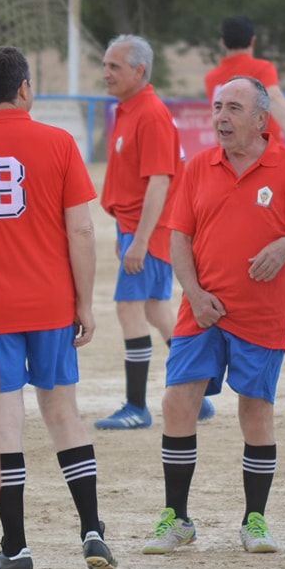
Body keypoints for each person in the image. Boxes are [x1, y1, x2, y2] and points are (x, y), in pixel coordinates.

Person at [0, 46, 116, 569]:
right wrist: (84, 302)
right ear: (25, 88)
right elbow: (80, 228)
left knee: (5, 424)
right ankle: (92, 531)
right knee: (64, 415)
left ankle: (17, 549)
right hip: (52, 305)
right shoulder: (58, 143)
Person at [141, 76, 285, 556]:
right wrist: (195, 294)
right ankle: (176, 519)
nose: (221, 117)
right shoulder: (199, 166)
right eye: (218, 107)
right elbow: (179, 236)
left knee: (255, 411)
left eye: (233, 108)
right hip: (200, 312)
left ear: (261, 119)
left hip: (261, 315)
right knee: (178, 402)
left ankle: (254, 521)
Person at [96, 34, 214, 430]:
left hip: (152, 229)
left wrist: (141, 240)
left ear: (139, 71)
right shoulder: (128, 110)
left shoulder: (150, 113)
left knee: (129, 308)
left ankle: (136, 406)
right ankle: (198, 393)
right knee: (153, 309)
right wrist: (123, 231)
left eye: (114, 66)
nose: (106, 73)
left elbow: (159, 182)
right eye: (106, 64)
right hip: (136, 227)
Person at [204, 15, 285, 149]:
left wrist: (279, 102)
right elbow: (274, 99)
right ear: (253, 40)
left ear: (222, 42)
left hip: (227, 153)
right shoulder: (262, 68)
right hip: (262, 151)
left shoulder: (211, 77)